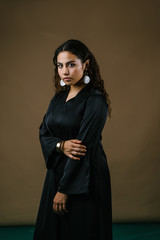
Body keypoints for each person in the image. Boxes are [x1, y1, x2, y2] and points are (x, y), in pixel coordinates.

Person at [33, 39, 112, 240]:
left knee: (82, 230)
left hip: (84, 177)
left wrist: (64, 190)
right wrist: (61, 145)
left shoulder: (95, 100)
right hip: (56, 173)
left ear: (85, 64)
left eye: (70, 64)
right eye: (60, 66)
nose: (64, 71)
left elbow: (82, 147)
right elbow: (44, 133)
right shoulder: (58, 98)